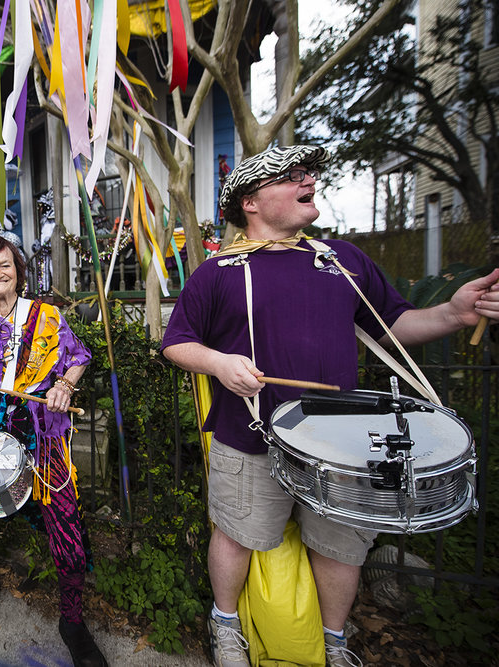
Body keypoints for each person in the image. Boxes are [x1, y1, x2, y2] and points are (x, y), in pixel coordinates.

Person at [159, 145, 499, 667]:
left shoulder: (341, 260)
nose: (309, 180)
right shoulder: (218, 272)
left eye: (309, 173)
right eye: (292, 176)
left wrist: (453, 314)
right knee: (236, 534)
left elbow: (395, 326)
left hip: (342, 444)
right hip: (250, 436)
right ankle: (225, 623)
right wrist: (219, 363)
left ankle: (334, 641)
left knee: (339, 546)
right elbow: (176, 342)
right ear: (251, 201)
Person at [0, 233, 107, 667]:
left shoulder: (47, 316)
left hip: (41, 434)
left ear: (18, 271)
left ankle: (71, 620)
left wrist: (65, 385)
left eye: (5, 265)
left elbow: (79, 355)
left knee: (64, 523)